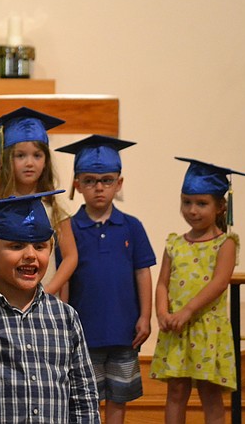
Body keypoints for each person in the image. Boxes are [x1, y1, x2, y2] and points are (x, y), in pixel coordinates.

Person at [0, 190, 100, 423]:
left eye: (41, 246)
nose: (30, 255)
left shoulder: (66, 318)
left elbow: (84, 398)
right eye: (16, 246)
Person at [55, 135, 156, 424]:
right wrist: (64, 320)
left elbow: (142, 272)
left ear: (119, 184)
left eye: (107, 180)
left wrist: (145, 316)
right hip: (86, 331)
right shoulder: (69, 228)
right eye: (90, 180)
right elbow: (65, 278)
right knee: (86, 397)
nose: (99, 187)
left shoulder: (132, 227)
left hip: (124, 331)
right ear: (77, 185)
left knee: (119, 397)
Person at [150, 157, 245, 424]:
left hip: (206, 330)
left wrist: (188, 310)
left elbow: (219, 283)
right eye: (187, 202)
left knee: (210, 393)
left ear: (220, 207)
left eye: (201, 203)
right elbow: (162, 283)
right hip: (176, 329)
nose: (192, 210)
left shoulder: (225, 242)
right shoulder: (175, 243)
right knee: (176, 391)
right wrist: (162, 312)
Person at [0, 107, 78, 297]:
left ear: (46, 160)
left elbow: (70, 256)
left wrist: (48, 291)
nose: (30, 163)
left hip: (44, 296)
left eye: (37, 155)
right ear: (7, 159)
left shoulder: (55, 202)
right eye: (20, 155)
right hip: (5, 296)